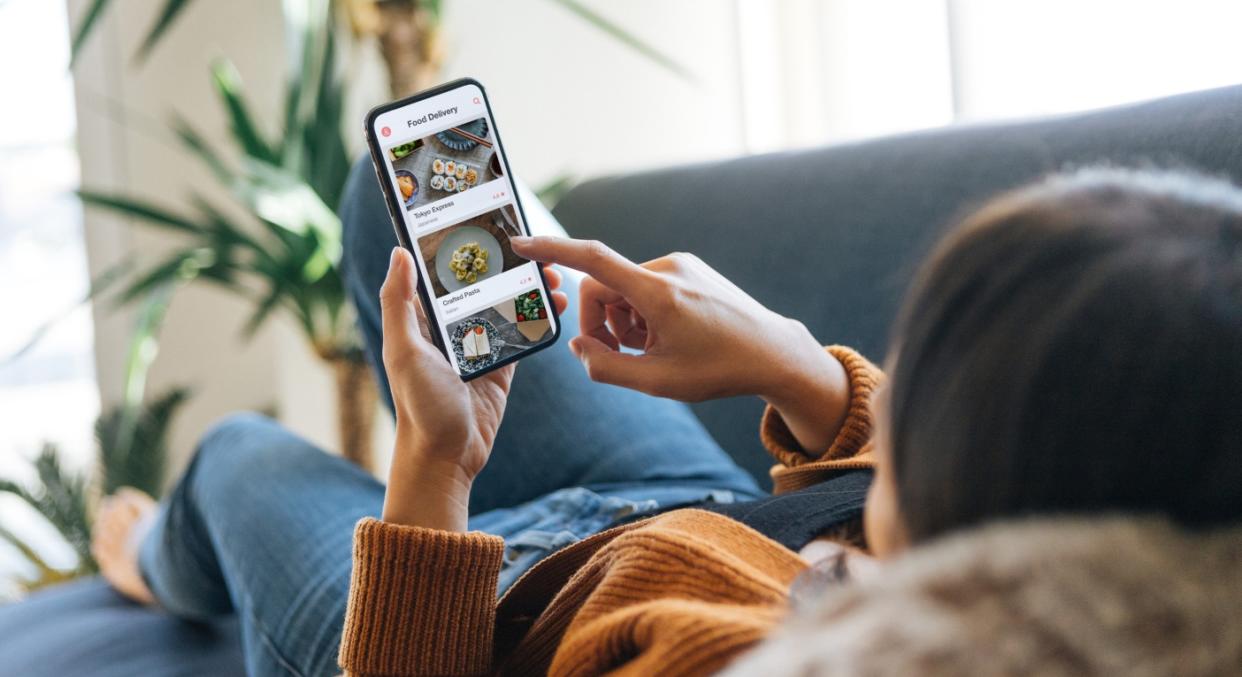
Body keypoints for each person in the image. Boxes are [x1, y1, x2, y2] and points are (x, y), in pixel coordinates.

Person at [92, 167, 1242, 676]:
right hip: (682, 520)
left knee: (240, 456)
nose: (905, 408)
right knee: (395, 192)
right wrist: (799, 369)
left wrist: (435, 472)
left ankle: (152, 559)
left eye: (926, 396)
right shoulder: (1120, 553)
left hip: (468, 618)